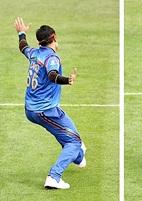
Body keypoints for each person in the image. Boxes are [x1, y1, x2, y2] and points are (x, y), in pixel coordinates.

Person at [15, 17, 85, 189]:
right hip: (45, 111)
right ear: (54, 37)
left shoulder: (33, 53)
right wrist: (67, 80)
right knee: (73, 142)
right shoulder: (51, 58)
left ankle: (78, 157)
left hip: (32, 108)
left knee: (73, 139)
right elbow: (53, 76)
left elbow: (22, 46)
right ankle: (54, 177)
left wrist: (21, 32)